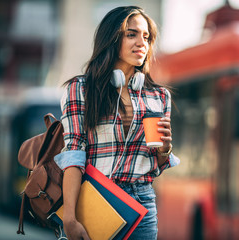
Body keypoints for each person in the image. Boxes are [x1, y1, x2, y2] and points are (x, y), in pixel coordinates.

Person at [54, 6, 180, 240]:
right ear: (112, 38)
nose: (141, 42)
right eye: (131, 34)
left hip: (142, 202)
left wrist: (165, 149)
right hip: (95, 199)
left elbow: (156, 165)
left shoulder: (160, 96)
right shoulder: (81, 89)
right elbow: (73, 155)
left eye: (146, 36)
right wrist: (69, 218)